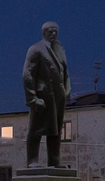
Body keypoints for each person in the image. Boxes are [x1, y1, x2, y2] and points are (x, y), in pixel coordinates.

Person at [21, 21, 70, 168]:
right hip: (43, 97)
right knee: (36, 129)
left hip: (58, 96)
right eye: (50, 31)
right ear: (43, 33)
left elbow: (64, 72)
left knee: (55, 131)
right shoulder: (36, 49)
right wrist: (33, 98)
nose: (53, 34)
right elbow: (27, 74)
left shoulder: (60, 49)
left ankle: (54, 161)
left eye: (55, 31)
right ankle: (32, 161)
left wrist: (67, 90)